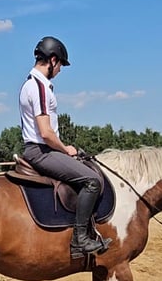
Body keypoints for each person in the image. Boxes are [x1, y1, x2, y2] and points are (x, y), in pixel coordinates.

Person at [18, 36, 110, 259]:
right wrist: (65, 149)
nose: (59, 70)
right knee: (92, 180)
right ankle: (80, 239)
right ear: (52, 60)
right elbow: (46, 132)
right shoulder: (39, 87)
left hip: (41, 148)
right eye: (60, 65)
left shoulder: (33, 84)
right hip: (41, 151)